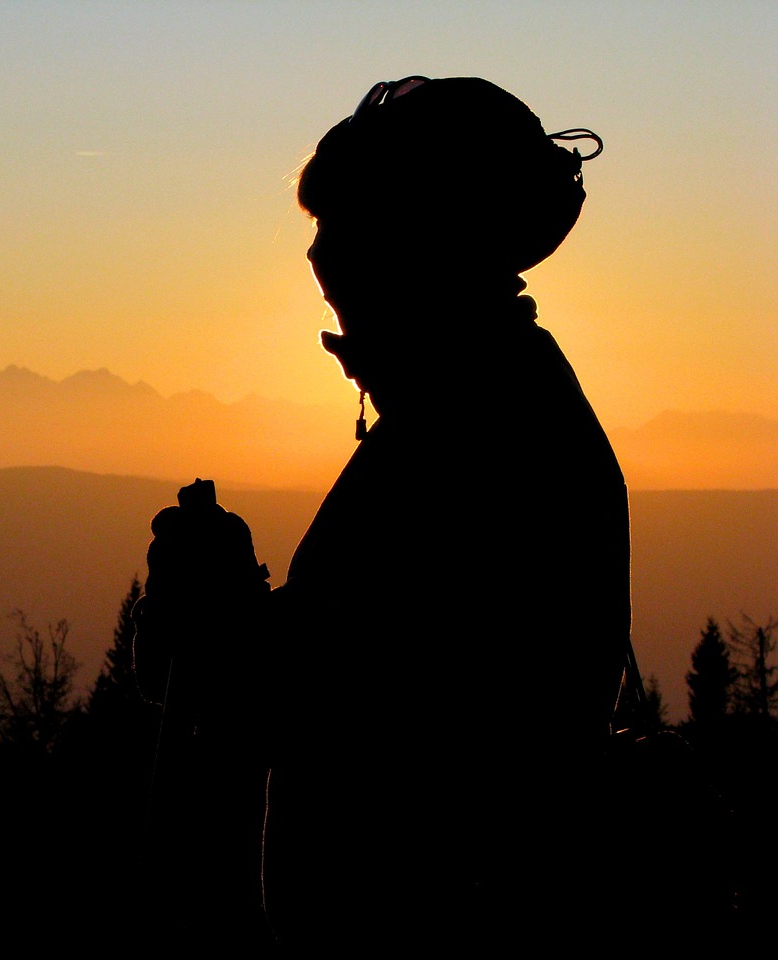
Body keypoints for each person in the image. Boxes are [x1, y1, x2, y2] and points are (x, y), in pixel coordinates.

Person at [137, 76, 636, 950]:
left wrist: (214, 614)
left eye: (343, 224)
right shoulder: (481, 403)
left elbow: (366, 714)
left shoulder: (478, 431)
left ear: (424, 236)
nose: (318, 258)